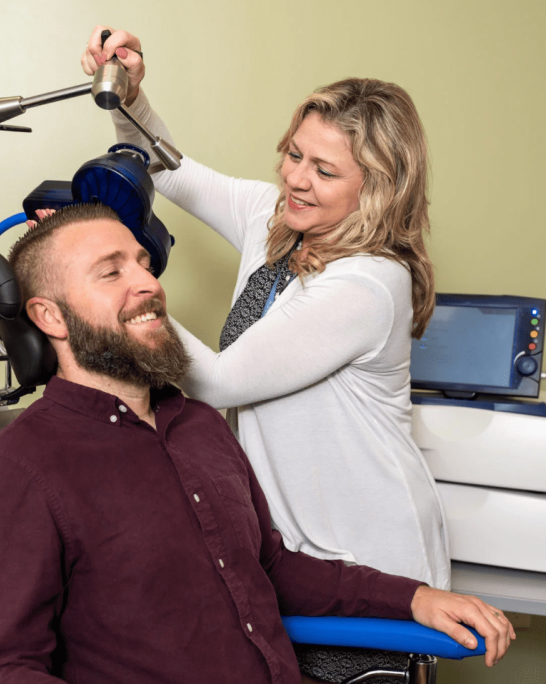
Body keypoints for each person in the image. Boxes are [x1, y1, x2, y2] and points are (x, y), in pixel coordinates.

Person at [0, 203, 514, 684]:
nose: (147, 283)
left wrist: (413, 598)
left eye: (143, 263)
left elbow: (269, 566)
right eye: (110, 272)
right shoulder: (16, 473)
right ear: (50, 316)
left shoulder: (199, 426)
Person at [80, 27, 450, 590]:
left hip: (373, 556)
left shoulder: (368, 283)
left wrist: (115, 286)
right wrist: (130, 99)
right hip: (296, 551)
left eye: (324, 171)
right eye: (294, 154)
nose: (297, 179)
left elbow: (219, 381)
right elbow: (170, 171)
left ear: (378, 188)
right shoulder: (277, 219)